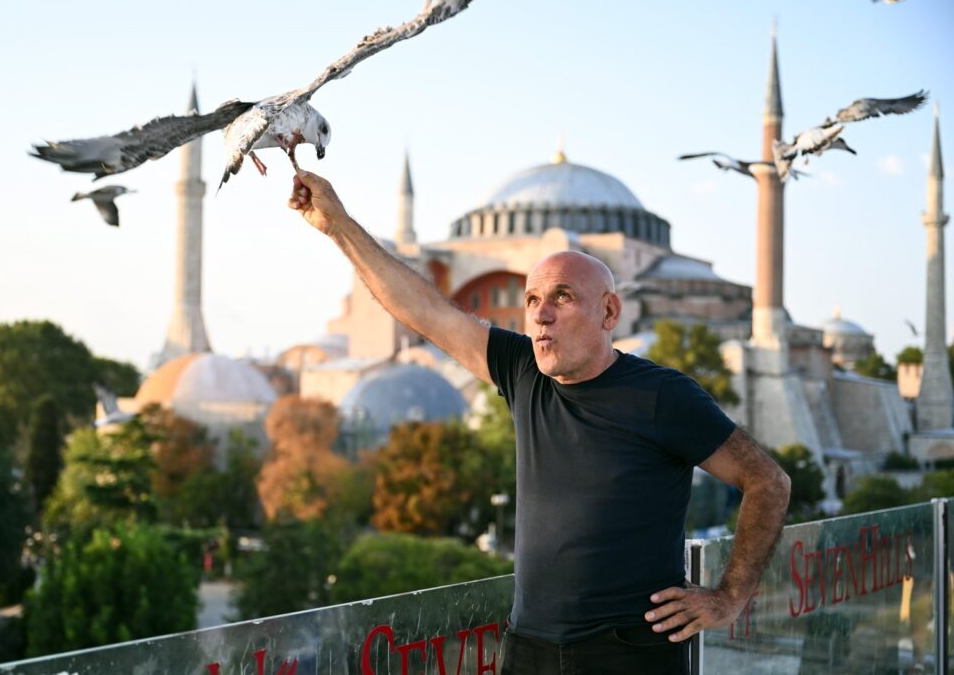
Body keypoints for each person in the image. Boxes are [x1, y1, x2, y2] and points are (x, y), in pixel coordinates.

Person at [287, 170, 791, 674]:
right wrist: (338, 226)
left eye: (563, 298)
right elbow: (423, 309)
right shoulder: (524, 369)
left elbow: (767, 480)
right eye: (531, 300)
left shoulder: (662, 395)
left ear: (609, 311)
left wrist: (729, 597)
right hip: (530, 646)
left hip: (629, 652)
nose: (540, 315)